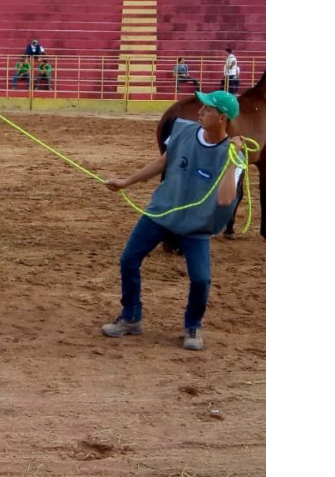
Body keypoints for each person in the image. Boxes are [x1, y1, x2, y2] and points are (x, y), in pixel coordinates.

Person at [102, 90, 245, 351]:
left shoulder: (234, 156)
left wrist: (233, 159)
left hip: (196, 225)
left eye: (207, 110)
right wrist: (126, 182)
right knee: (129, 259)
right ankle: (131, 316)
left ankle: (193, 325)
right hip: (161, 212)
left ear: (222, 118)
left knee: (201, 279)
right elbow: (163, 162)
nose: (200, 113)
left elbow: (225, 200)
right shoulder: (183, 131)